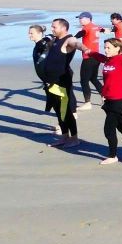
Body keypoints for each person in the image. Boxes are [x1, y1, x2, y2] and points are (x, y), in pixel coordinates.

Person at [42, 18, 82, 148]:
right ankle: (64, 137)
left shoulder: (68, 40)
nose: (52, 29)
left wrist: (85, 49)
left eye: (54, 27)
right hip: (53, 82)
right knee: (59, 111)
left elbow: (76, 43)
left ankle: (74, 138)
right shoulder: (56, 40)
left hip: (62, 81)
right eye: (52, 27)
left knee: (66, 111)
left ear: (63, 28)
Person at [74, 11, 106, 110]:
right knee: (93, 79)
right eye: (79, 18)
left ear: (88, 19)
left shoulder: (86, 28)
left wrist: (73, 38)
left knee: (83, 81)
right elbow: (102, 29)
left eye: (81, 18)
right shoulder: (95, 26)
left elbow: (81, 33)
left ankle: (87, 103)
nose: (80, 20)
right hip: (97, 56)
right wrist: (105, 30)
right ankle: (104, 98)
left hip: (88, 57)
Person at [29, 24, 59, 131]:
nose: (29, 35)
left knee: (58, 103)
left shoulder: (43, 44)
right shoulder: (39, 44)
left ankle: (63, 125)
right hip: (46, 80)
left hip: (52, 80)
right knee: (55, 104)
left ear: (40, 33)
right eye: (29, 33)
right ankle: (65, 121)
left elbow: (48, 41)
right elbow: (50, 36)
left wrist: (46, 40)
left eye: (31, 33)